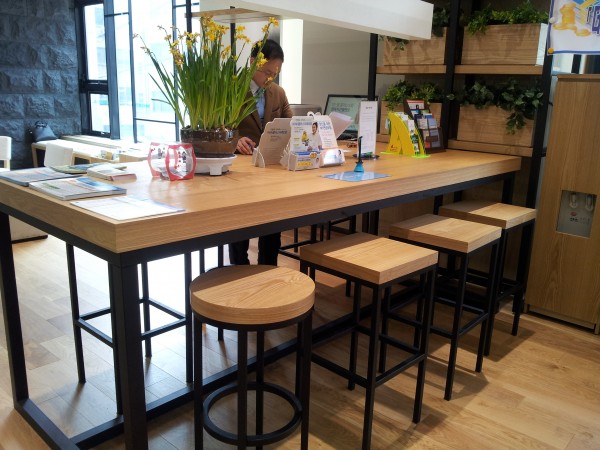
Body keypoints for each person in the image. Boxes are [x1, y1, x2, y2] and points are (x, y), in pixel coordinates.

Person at [229, 39, 293, 266]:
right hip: (240, 172)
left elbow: (293, 124)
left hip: (270, 170)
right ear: (253, 62)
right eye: (267, 72)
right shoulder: (231, 89)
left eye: (275, 74)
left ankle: (268, 268)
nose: (270, 78)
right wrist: (234, 140)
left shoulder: (278, 93)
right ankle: (239, 269)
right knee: (240, 226)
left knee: (273, 223)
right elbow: (215, 126)